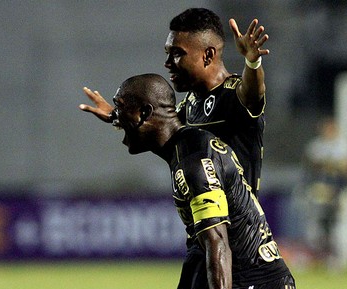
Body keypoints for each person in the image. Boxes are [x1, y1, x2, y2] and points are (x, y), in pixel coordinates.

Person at [108, 73, 295, 289]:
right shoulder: (185, 147)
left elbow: (217, 239)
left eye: (119, 108)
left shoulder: (193, 160)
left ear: (143, 114)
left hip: (250, 285)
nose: (114, 117)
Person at [80, 7, 268, 195]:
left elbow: (253, 94)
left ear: (208, 55)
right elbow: (155, 124)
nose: (168, 63)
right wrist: (116, 114)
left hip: (239, 221)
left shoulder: (232, 95)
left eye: (177, 53)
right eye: (167, 53)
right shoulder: (191, 103)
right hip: (204, 211)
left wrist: (252, 63)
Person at [302, 116, 347, 263]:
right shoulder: (316, 146)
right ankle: (318, 257)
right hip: (320, 190)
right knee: (317, 224)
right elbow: (312, 166)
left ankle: (341, 257)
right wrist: (334, 165)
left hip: (341, 190)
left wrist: (330, 166)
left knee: (340, 225)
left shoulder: (343, 146)